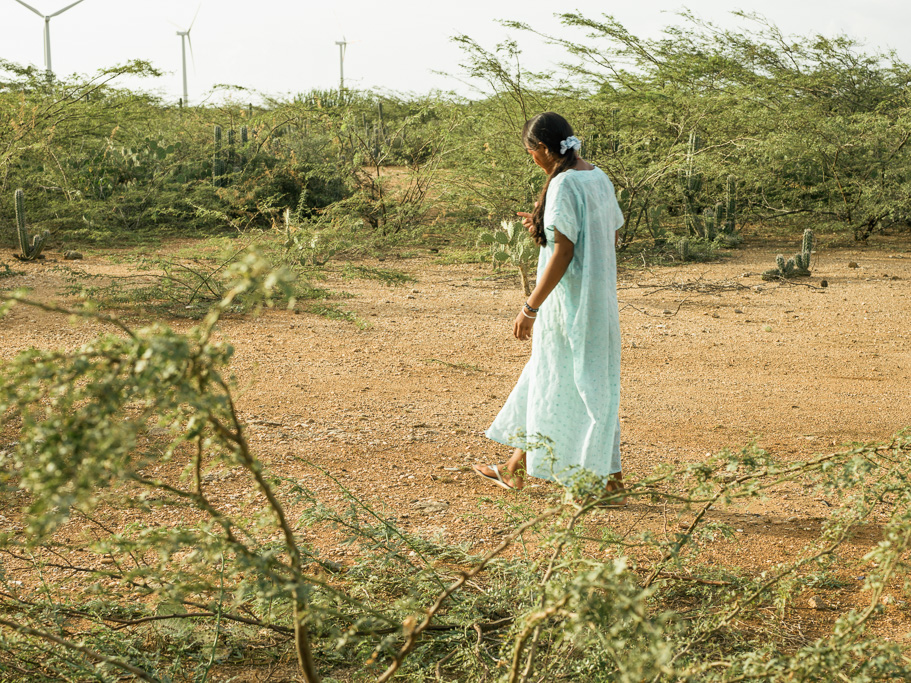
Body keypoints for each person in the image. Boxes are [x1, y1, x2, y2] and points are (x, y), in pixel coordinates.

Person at [473, 112, 625, 503]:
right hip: (599, 303)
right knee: (554, 380)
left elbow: (565, 251)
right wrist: (545, 231)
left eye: (532, 152)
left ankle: (607, 482)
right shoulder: (597, 176)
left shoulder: (562, 184)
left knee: (578, 386)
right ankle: (514, 469)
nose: (533, 160)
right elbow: (608, 233)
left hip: (569, 305)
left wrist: (530, 306)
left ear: (543, 148)